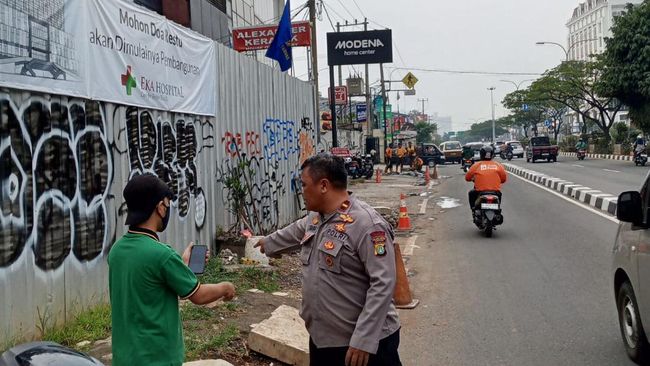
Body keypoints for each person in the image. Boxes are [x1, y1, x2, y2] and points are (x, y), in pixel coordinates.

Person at [255, 154, 402, 366]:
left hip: (363, 345)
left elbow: (383, 283)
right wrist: (264, 244)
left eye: (304, 185)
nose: (301, 191)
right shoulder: (316, 219)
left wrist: (364, 339)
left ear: (323, 185)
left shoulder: (367, 225)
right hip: (323, 341)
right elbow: (290, 234)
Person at [108, 174, 236, 366]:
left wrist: (182, 263)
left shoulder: (116, 251)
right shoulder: (162, 255)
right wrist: (226, 287)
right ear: (160, 207)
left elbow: (151, 283)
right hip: (158, 360)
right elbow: (198, 295)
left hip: (125, 359)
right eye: (167, 204)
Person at [465, 146, 507, 212]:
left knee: (471, 193)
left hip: (480, 192)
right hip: (495, 192)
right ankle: (497, 210)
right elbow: (504, 179)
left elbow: (467, 178)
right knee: (499, 195)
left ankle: (473, 210)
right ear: (492, 155)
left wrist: (473, 179)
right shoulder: (498, 165)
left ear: (481, 154)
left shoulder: (476, 165)